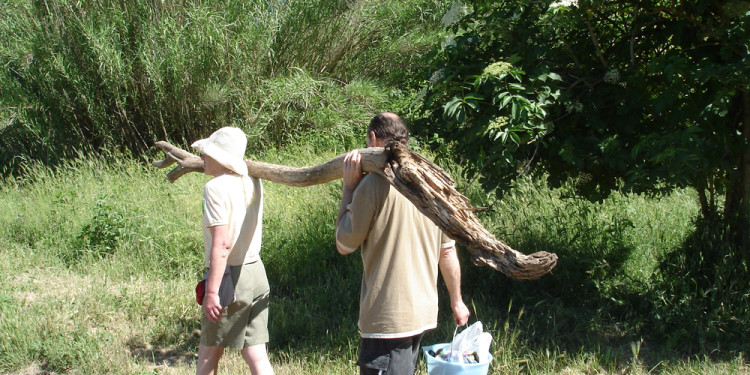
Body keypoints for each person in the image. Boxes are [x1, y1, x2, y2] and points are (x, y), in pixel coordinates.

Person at [335, 112, 470, 375]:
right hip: (422, 314)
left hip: (388, 317)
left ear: (373, 138)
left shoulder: (373, 184)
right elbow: (447, 251)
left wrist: (349, 190)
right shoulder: (431, 184)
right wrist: (457, 301)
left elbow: (344, 244)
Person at [191, 127, 274, 375]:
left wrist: (213, 292)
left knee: (208, 353)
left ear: (221, 156)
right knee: (255, 352)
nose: (203, 157)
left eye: (207, 152)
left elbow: (222, 244)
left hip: (230, 277)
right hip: (256, 273)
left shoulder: (215, 188)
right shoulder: (253, 180)